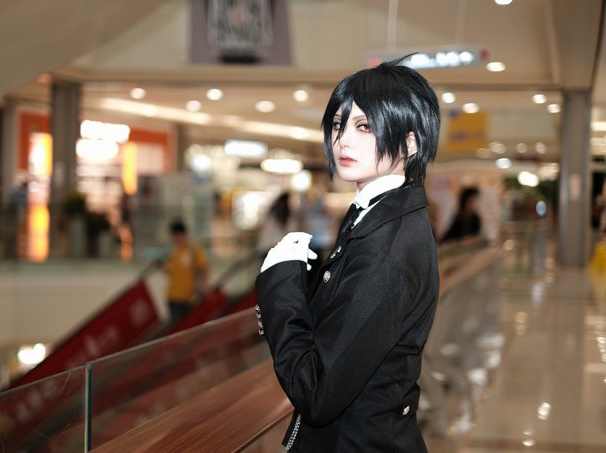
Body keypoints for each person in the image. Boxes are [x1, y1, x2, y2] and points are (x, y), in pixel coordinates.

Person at [255, 56, 440, 452]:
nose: (343, 141)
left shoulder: (382, 251)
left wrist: (279, 285)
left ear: (410, 142)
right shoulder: (383, 217)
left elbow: (316, 393)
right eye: (339, 124)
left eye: (365, 126)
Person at [164, 219, 210, 322]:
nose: (173, 240)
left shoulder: (194, 250)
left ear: (180, 234)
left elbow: (204, 268)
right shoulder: (175, 252)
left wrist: (205, 286)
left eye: (174, 236)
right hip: (172, 296)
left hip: (187, 298)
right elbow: (171, 272)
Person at [256, 191, 296, 256]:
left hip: (265, 246)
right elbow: (292, 231)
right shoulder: (286, 215)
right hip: (278, 248)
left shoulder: (271, 212)